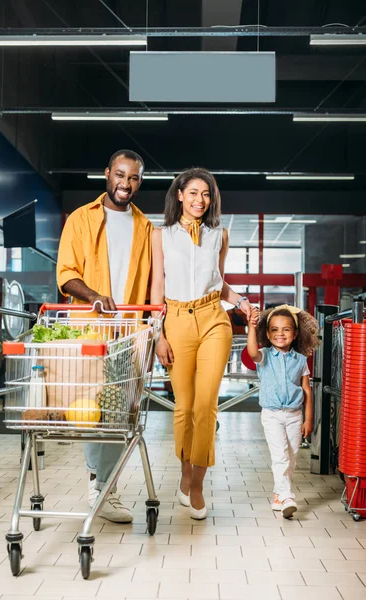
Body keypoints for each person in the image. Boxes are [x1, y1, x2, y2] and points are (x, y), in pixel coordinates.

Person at [56, 149, 152, 523]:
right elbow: (65, 273)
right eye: (120, 175)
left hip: (130, 331)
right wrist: (95, 297)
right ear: (106, 173)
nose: (125, 184)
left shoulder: (145, 227)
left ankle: (104, 486)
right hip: (90, 331)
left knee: (119, 411)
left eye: (133, 178)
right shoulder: (81, 219)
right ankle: (100, 481)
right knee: (91, 412)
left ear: (139, 182)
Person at [151, 168, 252, 520]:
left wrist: (241, 302)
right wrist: (157, 333)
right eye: (193, 192)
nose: (199, 200)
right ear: (179, 194)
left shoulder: (219, 235)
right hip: (176, 319)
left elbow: (219, 283)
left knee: (206, 406)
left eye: (206, 194)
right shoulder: (159, 235)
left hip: (213, 320)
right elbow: (157, 288)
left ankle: (197, 485)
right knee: (185, 407)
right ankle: (183, 472)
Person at [247, 304, 319, 518]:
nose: (280, 334)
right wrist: (252, 327)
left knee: (291, 456)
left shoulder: (301, 360)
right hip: (272, 415)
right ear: (268, 334)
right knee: (280, 456)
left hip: (295, 416)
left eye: (286, 329)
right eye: (275, 330)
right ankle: (287, 496)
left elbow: (307, 390)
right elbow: (251, 352)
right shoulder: (265, 356)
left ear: (295, 333)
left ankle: (278, 494)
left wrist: (309, 419)